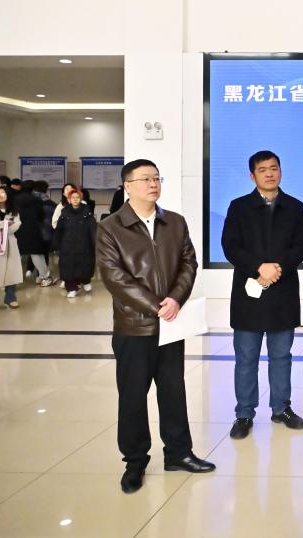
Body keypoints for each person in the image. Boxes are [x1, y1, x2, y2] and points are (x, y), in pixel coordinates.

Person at [96, 159, 214, 494]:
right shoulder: (111, 227)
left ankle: (178, 453)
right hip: (134, 327)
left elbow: (189, 263)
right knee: (133, 396)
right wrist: (155, 306)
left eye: (157, 178)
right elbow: (113, 276)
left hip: (171, 325)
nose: (153, 184)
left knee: (173, 391)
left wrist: (175, 299)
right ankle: (135, 462)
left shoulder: (174, 222)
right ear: (127, 186)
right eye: (145, 179)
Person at [221, 150, 303, 440]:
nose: (270, 174)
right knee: (246, 357)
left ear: (281, 171)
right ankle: (244, 413)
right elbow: (230, 246)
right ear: (252, 176)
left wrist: (277, 267)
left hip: (283, 291)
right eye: (263, 170)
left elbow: (301, 246)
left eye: (274, 168)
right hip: (249, 292)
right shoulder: (239, 207)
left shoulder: (294, 207)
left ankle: (281, 408)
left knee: (281, 356)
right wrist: (259, 267)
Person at [54, 187, 97, 298]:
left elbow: (93, 230)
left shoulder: (87, 213)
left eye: (77, 197)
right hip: (67, 245)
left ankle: (85, 281)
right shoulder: (64, 213)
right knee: (68, 267)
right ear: (69, 199)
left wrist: (96, 243)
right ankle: (71, 288)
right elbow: (59, 230)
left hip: (84, 245)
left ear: (81, 199)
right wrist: (56, 244)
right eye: (73, 197)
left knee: (84, 265)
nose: (75, 199)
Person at [0, 185, 24, 309]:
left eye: (2, 192)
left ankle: (10, 298)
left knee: (11, 270)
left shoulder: (14, 211)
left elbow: (16, 225)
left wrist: (4, 226)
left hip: (10, 243)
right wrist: (4, 225)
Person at [13, 180, 54, 287]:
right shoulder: (37, 200)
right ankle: (44, 276)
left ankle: (13, 280)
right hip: (33, 229)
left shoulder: (15, 199)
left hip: (18, 229)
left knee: (16, 255)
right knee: (36, 254)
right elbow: (41, 215)